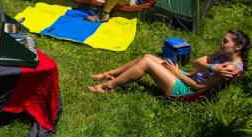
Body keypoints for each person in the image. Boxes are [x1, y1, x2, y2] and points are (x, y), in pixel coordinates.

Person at [88, 29, 248, 96]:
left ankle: (108, 86)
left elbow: (199, 87)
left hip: (186, 90)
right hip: (187, 78)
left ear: (237, 47)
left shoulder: (230, 69)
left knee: (147, 63)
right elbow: (197, 62)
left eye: (225, 41)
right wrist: (213, 66)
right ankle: (110, 74)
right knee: (147, 57)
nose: (221, 43)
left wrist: (176, 73)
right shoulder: (224, 56)